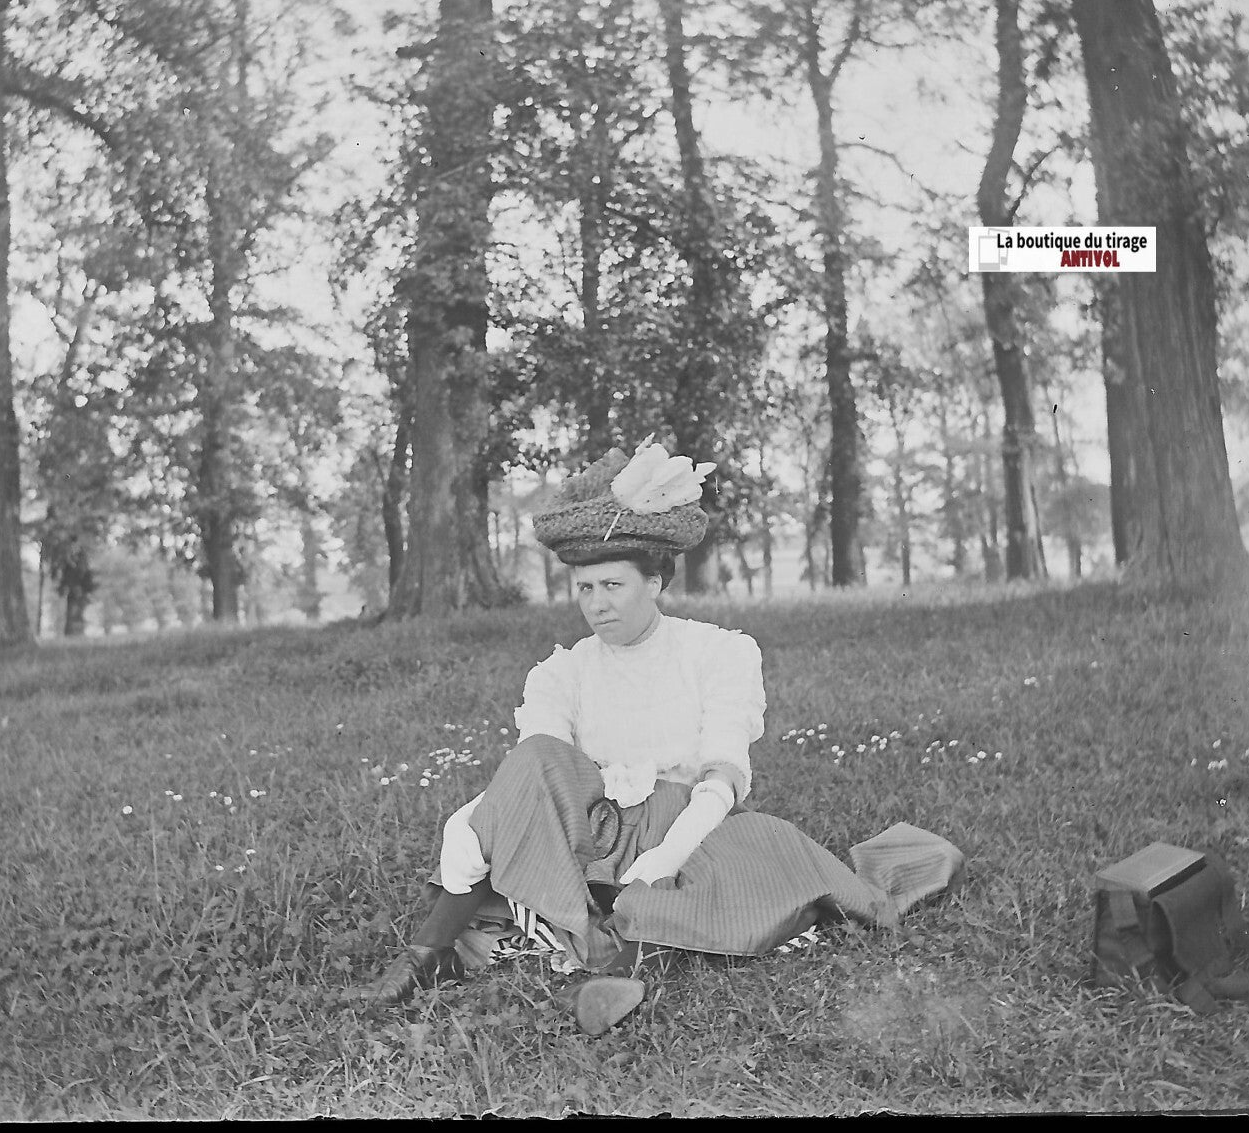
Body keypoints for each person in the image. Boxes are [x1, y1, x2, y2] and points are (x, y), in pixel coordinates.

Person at [356, 440, 963, 1033]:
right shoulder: (560, 670)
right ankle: (430, 955)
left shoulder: (720, 651)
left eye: (613, 586)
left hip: (691, 828)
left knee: (760, 856)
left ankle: (600, 955)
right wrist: (474, 817)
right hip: (591, 830)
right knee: (530, 776)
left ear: (655, 583)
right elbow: (536, 771)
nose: (597, 605)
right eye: (585, 589)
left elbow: (724, 772)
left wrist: (666, 856)